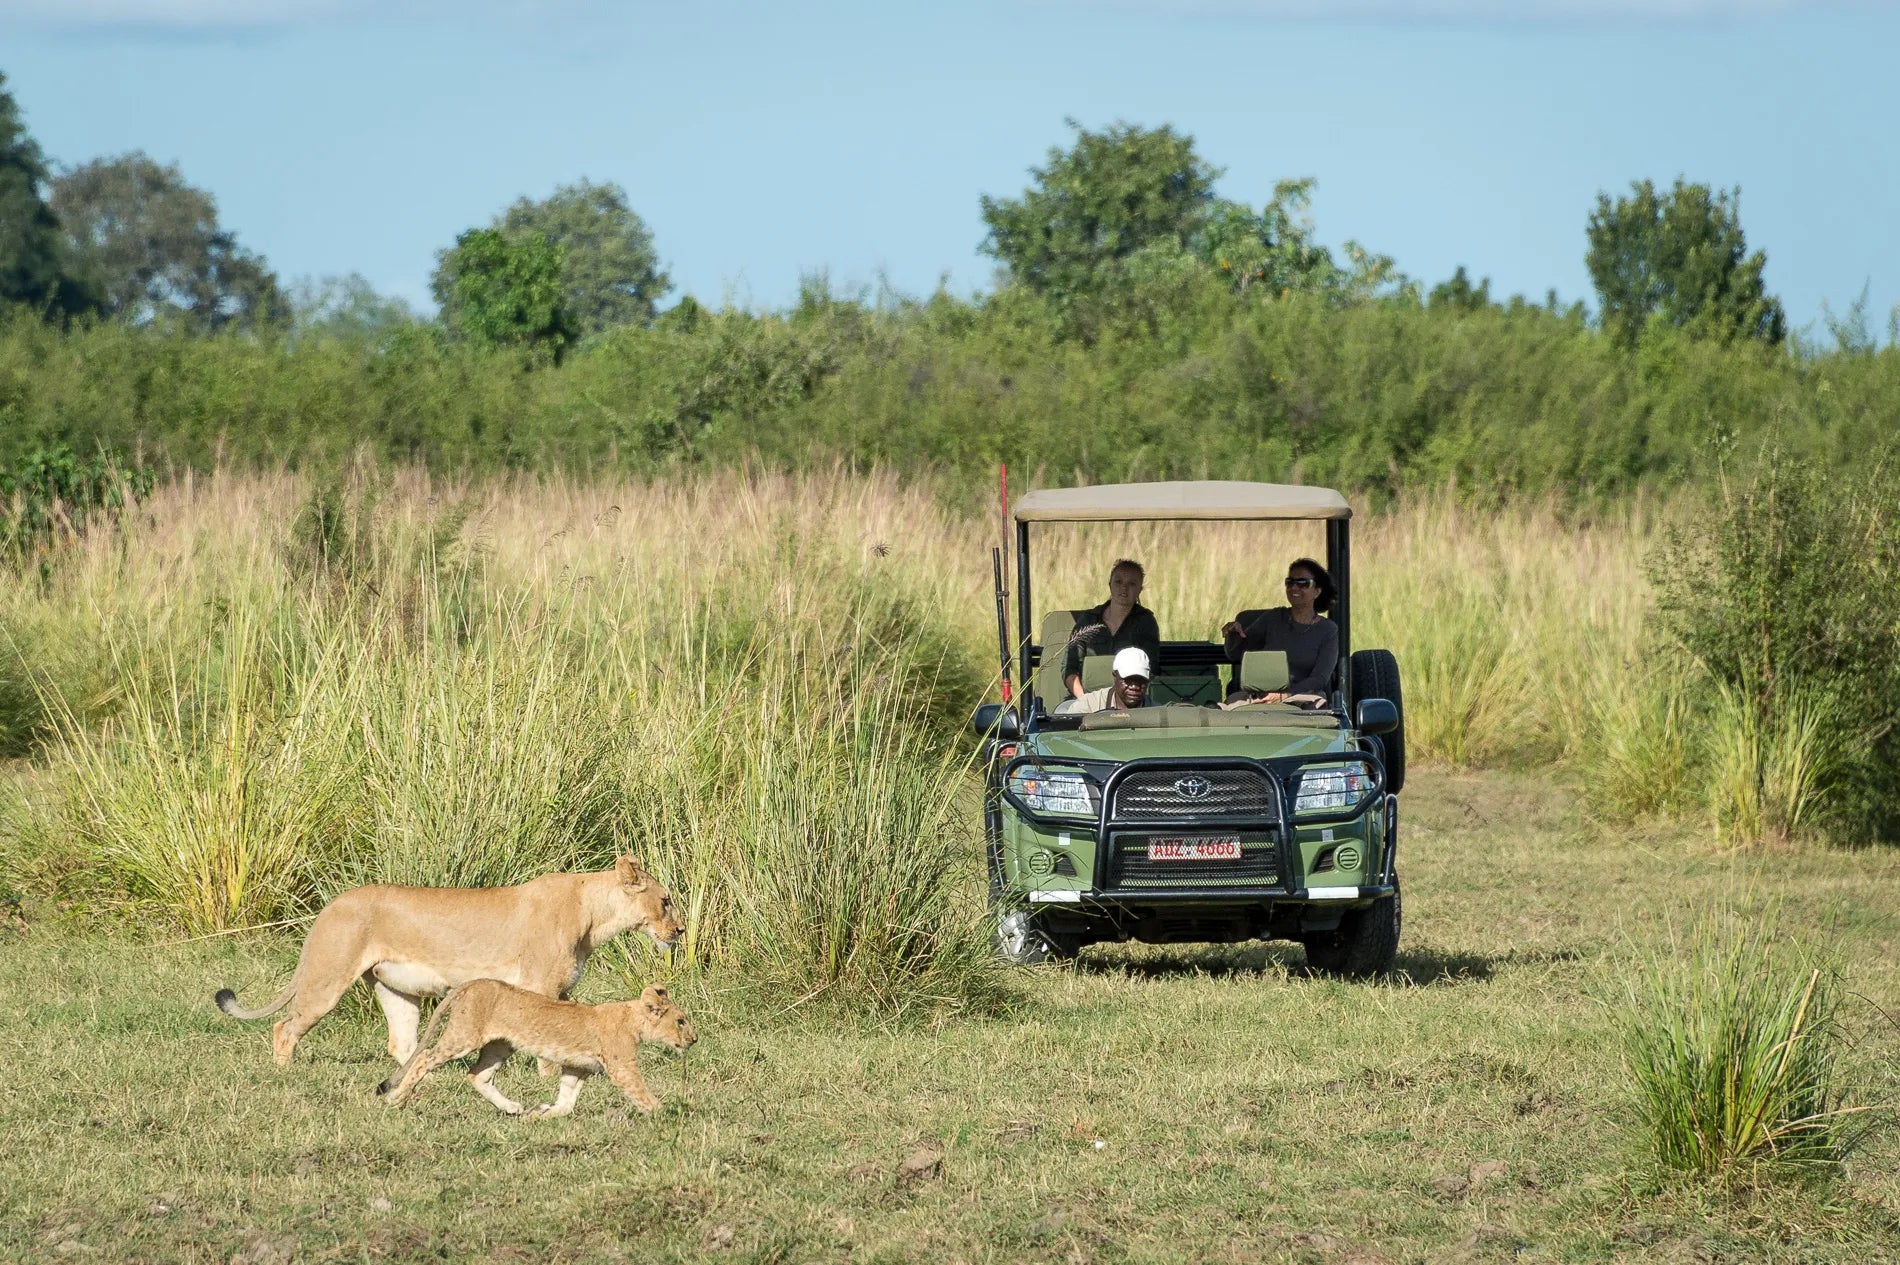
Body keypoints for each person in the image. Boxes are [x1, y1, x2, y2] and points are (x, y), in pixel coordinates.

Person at [1221, 557, 1339, 704]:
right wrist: (1233, 633)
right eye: (1290, 583)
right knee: (1229, 706)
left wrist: (1286, 695)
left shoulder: (1328, 630)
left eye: (1303, 583)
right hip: (1261, 696)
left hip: (1303, 698)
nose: (1294, 588)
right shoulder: (1273, 618)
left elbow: (1319, 679)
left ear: (1317, 591)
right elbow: (1237, 653)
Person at [1062, 558, 1162, 700]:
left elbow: (1150, 669)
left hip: (1130, 699)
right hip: (1085, 698)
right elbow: (1069, 669)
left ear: (1140, 589)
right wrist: (1085, 700)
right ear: (1110, 585)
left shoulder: (1146, 622)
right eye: (1118, 582)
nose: (1124, 588)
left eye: (1131, 584)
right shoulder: (1088, 620)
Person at [1054, 647, 1155, 715]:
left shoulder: (1156, 711)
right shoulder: (1088, 706)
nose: (1134, 687)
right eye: (1128, 680)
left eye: (1141, 681)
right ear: (1115, 677)